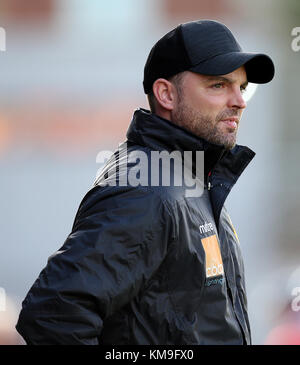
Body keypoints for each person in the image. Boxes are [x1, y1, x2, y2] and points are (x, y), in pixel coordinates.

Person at [16, 20, 274, 345]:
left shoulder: (190, 177)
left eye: (242, 86)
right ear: (166, 93)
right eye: (218, 85)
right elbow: (53, 313)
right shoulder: (146, 186)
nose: (239, 101)